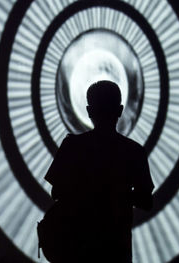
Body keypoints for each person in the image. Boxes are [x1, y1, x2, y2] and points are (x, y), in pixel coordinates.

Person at [44, 80, 154, 262]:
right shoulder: (134, 152)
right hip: (117, 249)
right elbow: (146, 201)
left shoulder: (72, 147)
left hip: (76, 248)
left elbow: (56, 192)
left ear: (89, 111)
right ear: (119, 110)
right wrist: (119, 194)